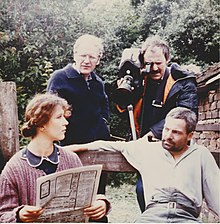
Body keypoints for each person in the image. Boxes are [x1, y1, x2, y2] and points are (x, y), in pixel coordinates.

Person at [65, 107, 219, 223]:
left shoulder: (200, 154)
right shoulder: (147, 149)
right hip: (153, 215)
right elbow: (106, 145)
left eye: (176, 132)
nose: (167, 136)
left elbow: (216, 195)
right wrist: (67, 150)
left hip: (186, 217)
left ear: (189, 136)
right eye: (166, 129)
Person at [115, 35, 198, 211]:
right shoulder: (140, 79)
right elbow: (125, 112)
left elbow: (187, 114)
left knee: (174, 195)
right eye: (148, 63)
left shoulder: (183, 81)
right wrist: (123, 91)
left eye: (158, 63)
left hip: (175, 148)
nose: (153, 68)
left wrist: (153, 133)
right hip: (147, 150)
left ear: (167, 59)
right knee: (143, 190)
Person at [0, 93, 110, 223]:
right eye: (59, 117)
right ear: (41, 123)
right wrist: (19, 215)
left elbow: (85, 200)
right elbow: (3, 215)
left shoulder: (71, 159)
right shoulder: (14, 168)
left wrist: (101, 204)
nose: (66, 122)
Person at [46, 35, 110, 217]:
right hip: (68, 149)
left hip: (95, 150)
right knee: (67, 200)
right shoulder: (59, 78)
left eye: (92, 57)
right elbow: (50, 113)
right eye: (83, 56)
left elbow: (104, 112)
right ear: (75, 55)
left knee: (96, 198)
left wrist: (103, 131)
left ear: (98, 59)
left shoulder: (99, 83)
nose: (87, 61)